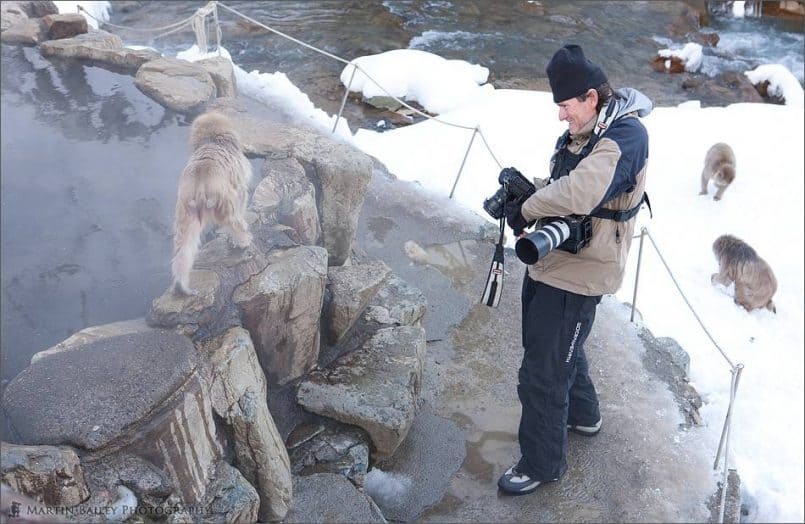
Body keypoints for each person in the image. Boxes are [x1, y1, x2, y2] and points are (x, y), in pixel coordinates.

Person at [497, 44, 653, 495]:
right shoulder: (587, 129)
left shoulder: (626, 136)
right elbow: (565, 183)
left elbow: (584, 192)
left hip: (580, 272)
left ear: (590, 97)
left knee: (543, 372)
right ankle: (583, 417)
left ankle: (542, 465)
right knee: (562, 345)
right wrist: (530, 191)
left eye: (565, 106)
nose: (561, 116)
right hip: (556, 260)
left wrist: (528, 207)